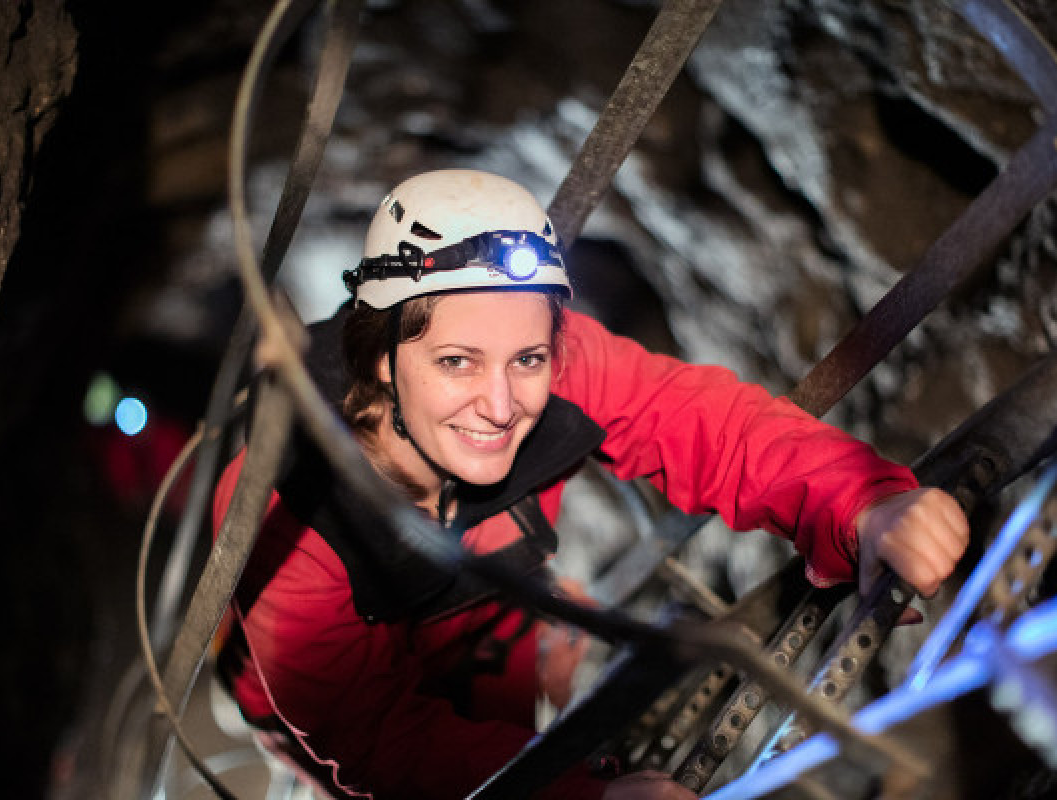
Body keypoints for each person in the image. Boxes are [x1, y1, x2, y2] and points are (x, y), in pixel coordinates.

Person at [213, 169, 969, 799]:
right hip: (343, 726)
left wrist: (861, 502)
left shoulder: (558, 365)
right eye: (456, 363)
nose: (502, 405)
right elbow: (375, 737)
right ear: (382, 358)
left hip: (490, 638)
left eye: (528, 361)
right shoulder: (287, 511)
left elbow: (703, 423)